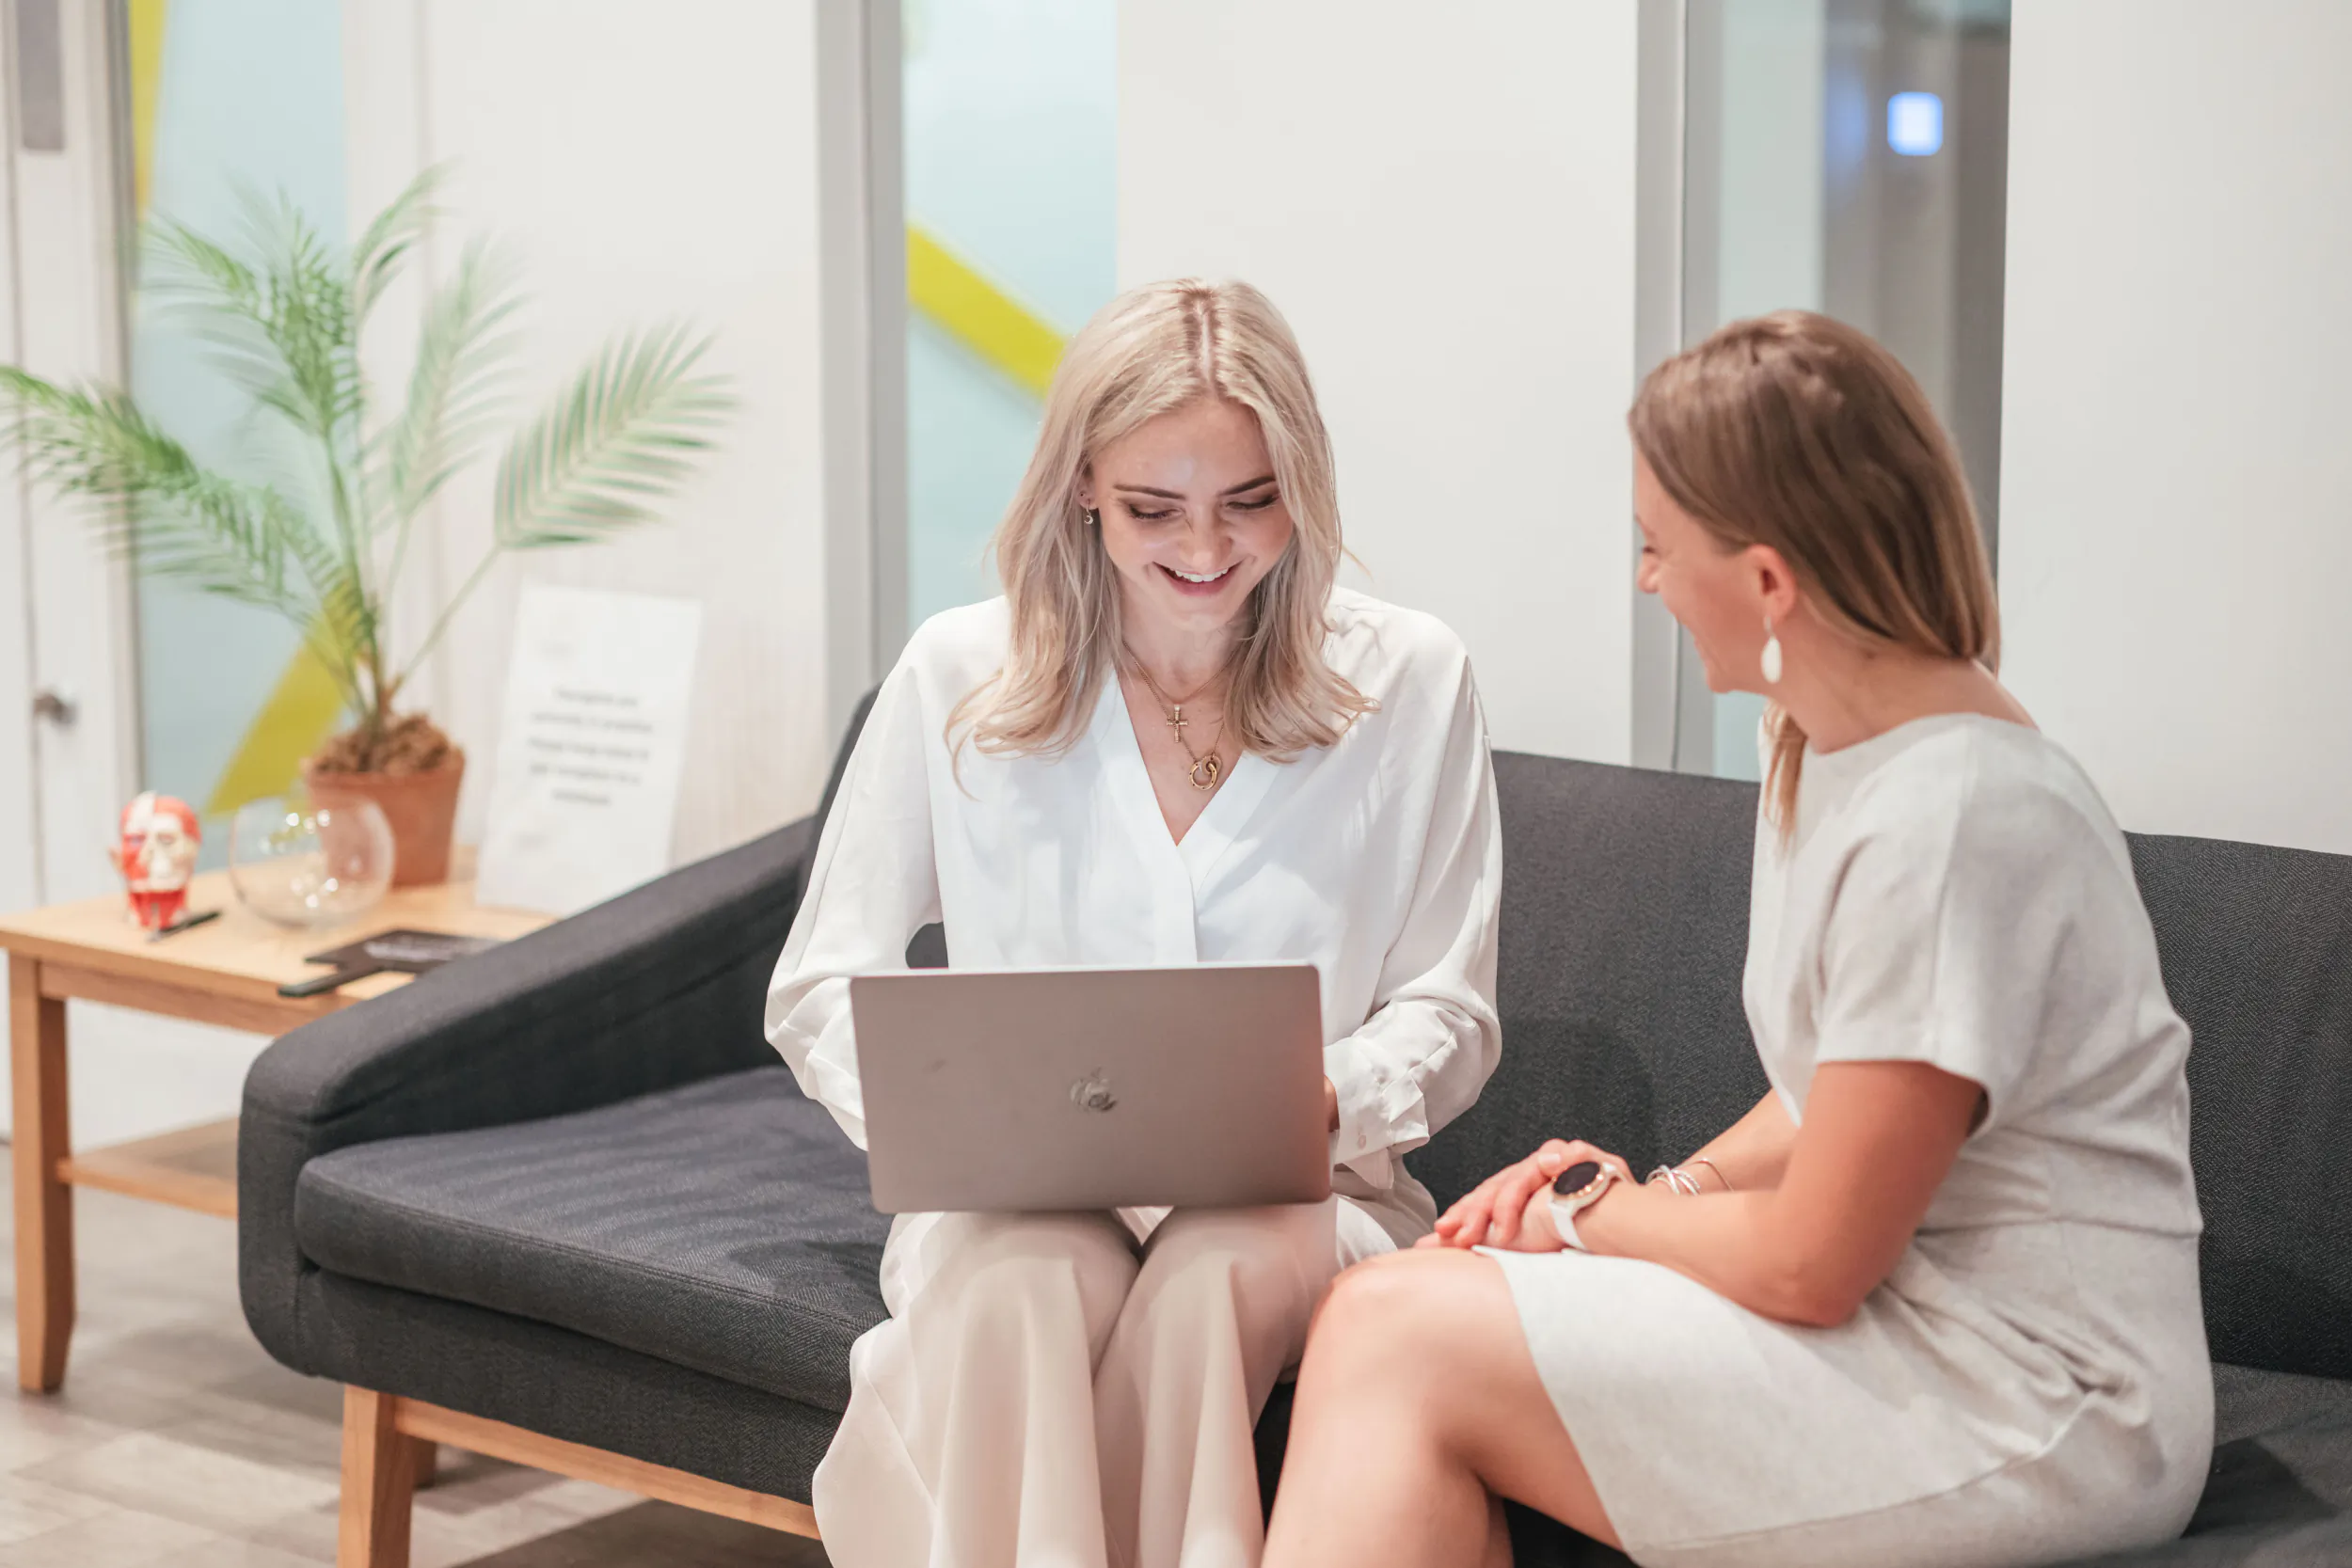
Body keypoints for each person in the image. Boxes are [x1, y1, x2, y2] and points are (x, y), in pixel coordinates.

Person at [1262, 310, 2212, 1568]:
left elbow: (1816, 1261)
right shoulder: (1823, 740)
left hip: (2041, 1395)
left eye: (1657, 545)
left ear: (1769, 581)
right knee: (1385, 1309)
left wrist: (1595, 1215)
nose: (1643, 578)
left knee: (1394, 1329)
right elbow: (1842, 1090)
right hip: (1917, 1323)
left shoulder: (1958, 818)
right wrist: (1663, 1195)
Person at [766, 277, 1502, 1568]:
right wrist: (946, 1119)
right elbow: (822, 981)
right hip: (1018, 1200)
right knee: (1014, 1291)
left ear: (1303, 487)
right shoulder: (960, 676)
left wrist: (1331, 1096)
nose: (1205, 549)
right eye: (1156, 507)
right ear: (1082, 488)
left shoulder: (1409, 681)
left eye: (1249, 501)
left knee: (1208, 1282)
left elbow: (1452, 1005)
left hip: (1299, 1191)